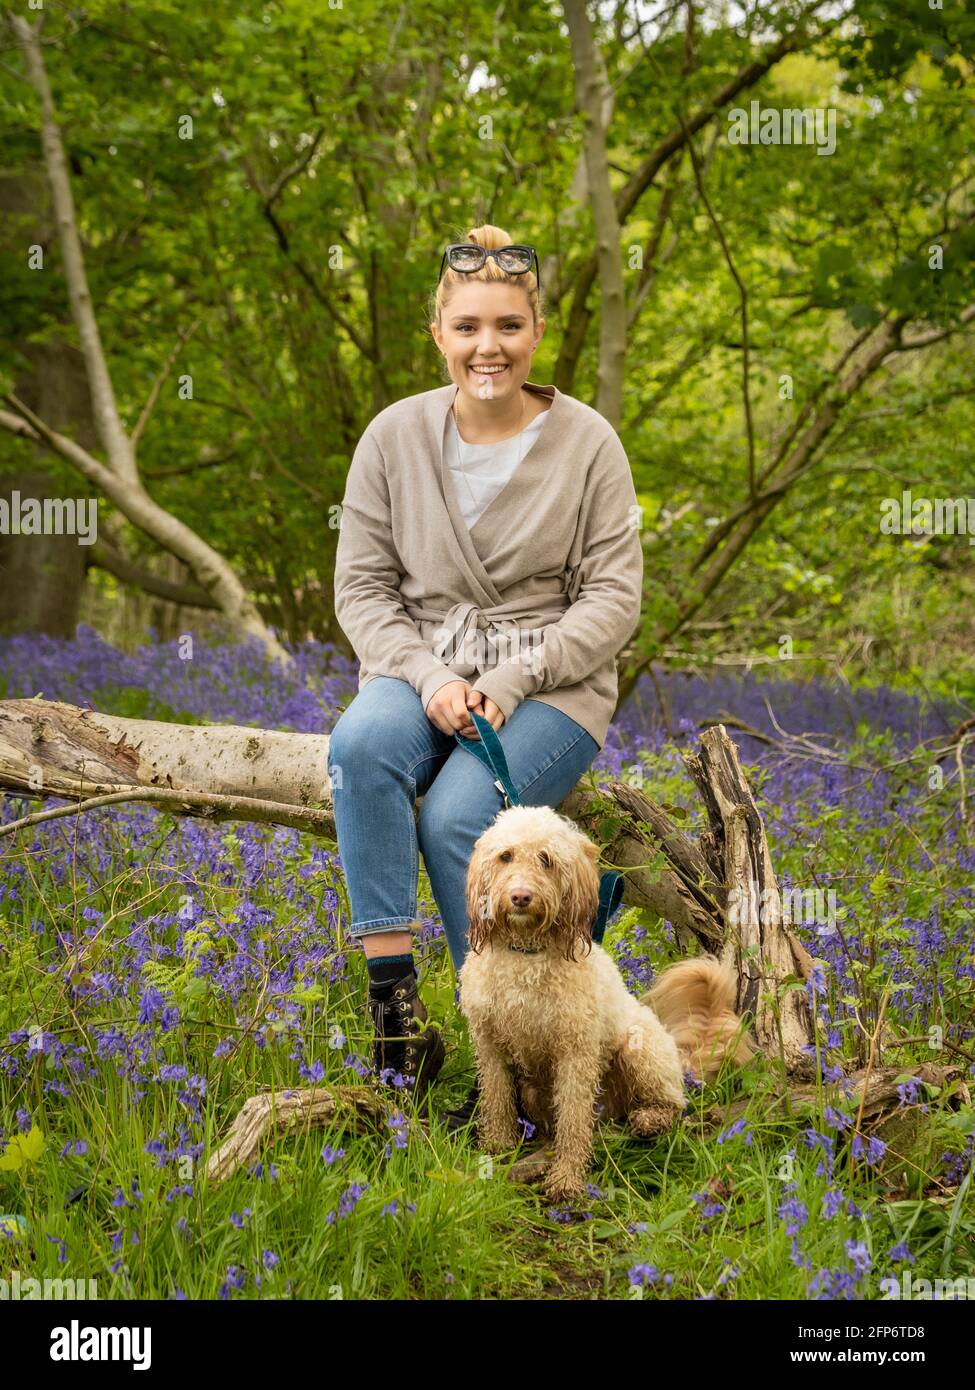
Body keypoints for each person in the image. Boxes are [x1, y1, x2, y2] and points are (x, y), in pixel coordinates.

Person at [328, 223, 644, 1127]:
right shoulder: (392, 437)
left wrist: (511, 681)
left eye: (507, 325)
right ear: (438, 333)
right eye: (467, 327)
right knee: (360, 748)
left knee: (467, 815)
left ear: (535, 331)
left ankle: (521, 1052)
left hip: (552, 684)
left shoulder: (588, 444)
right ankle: (398, 1021)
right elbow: (361, 589)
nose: (487, 348)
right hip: (417, 661)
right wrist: (427, 677)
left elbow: (613, 601)